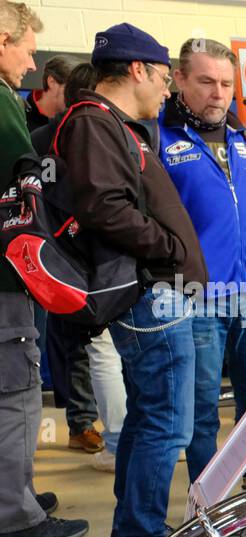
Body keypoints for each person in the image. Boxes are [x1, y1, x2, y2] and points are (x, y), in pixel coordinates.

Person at [57, 23, 207, 537]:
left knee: (151, 420)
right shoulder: (96, 122)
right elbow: (104, 207)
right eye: (166, 76)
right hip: (149, 295)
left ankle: (133, 536)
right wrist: (169, 250)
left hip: (157, 291)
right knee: (166, 424)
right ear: (138, 69)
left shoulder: (114, 124)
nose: (168, 89)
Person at [160, 37, 246, 486]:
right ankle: (209, 494)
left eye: (227, 84)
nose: (218, 93)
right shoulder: (160, 136)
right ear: (180, 79)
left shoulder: (245, 138)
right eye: (206, 81)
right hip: (197, 294)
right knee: (202, 400)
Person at [0, 1, 88, 537]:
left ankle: (16, 493)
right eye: (26, 48)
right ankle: (14, 513)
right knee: (16, 394)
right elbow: (22, 183)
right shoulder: (1, 102)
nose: (31, 63)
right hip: (4, 280)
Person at [31, 60, 126, 473]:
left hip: (54, 262)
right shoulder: (95, 134)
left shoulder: (41, 137)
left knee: (91, 350)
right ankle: (117, 438)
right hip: (91, 261)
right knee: (102, 350)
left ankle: (111, 435)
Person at [22, 50, 74, 131]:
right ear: (51, 82)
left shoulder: (77, 123)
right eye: (73, 89)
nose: (78, 97)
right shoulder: (19, 117)